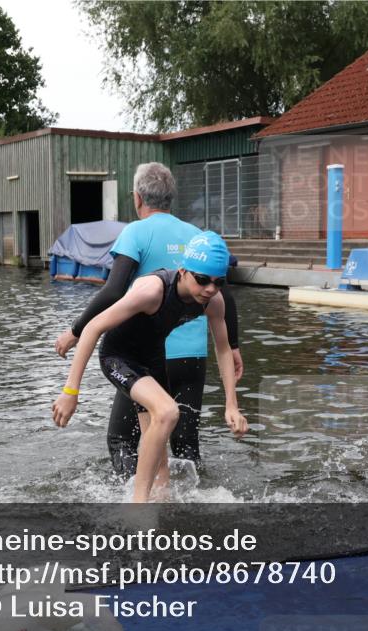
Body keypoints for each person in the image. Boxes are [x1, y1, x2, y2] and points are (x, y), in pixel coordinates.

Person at [54, 162, 242, 475]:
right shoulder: (198, 237)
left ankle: (134, 508)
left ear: (137, 198)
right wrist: (233, 346)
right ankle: (188, 512)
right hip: (193, 357)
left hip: (147, 356)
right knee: (185, 445)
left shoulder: (135, 232)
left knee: (122, 441)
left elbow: (113, 292)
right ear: (172, 199)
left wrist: (76, 331)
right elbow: (224, 298)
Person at [52, 231, 247, 502]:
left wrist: (231, 405)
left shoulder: (213, 301)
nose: (210, 289)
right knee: (168, 412)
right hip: (118, 356)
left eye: (219, 282)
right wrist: (70, 392)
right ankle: (138, 507)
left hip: (153, 358)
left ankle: (159, 514)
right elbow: (94, 328)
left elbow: (224, 349)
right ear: (183, 271)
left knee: (162, 474)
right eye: (203, 280)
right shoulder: (153, 291)